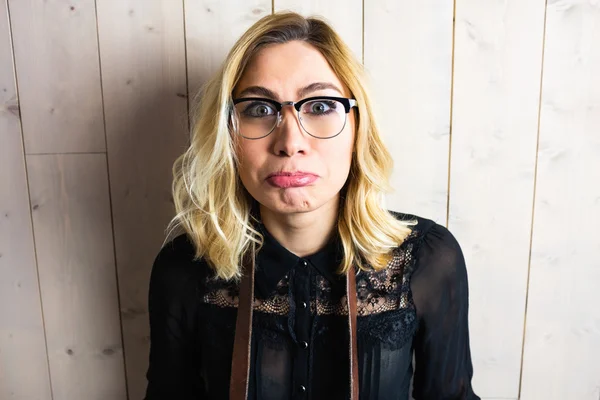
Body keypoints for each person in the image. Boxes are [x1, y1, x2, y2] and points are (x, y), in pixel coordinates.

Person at [144, 11, 480, 400]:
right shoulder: (184, 269)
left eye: (319, 106)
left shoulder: (427, 259)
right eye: (259, 108)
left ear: (357, 126)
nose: (290, 141)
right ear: (228, 135)